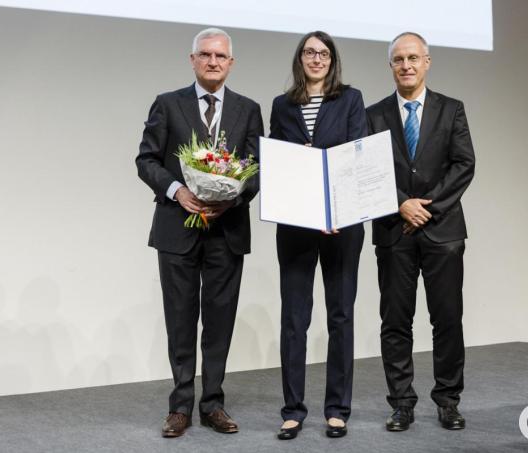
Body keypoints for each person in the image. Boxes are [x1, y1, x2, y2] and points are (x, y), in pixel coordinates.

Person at [135, 27, 263, 438]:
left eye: (220, 56)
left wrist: (233, 197)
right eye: (205, 54)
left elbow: (257, 170)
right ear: (192, 60)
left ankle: (213, 404)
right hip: (177, 228)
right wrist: (178, 191)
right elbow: (146, 160)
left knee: (220, 321)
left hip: (227, 230)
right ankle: (180, 407)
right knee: (180, 319)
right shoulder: (167, 104)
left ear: (231, 63)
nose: (213, 61)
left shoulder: (248, 109)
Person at [365, 32, 476, 432]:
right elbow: (367, 170)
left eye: (413, 58)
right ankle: (401, 403)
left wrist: (426, 209)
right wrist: (401, 204)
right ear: (390, 66)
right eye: (399, 59)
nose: (406, 65)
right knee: (396, 322)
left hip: (443, 232)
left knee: (447, 320)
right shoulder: (373, 115)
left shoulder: (452, 109)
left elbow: (464, 165)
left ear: (427, 62)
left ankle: (448, 400)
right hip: (393, 231)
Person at [268, 30, 368, 440]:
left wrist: (336, 209)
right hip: (296, 226)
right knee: (294, 319)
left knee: (340, 316)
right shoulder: (282, 105)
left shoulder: (350, 99)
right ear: (300, 59)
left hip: (341, 225)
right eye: (309, 52)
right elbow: (277, 163)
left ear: (332, 60)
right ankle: (293, 410)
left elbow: (356, 154)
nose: (316, 59)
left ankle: (337, 409)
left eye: (323, 53)